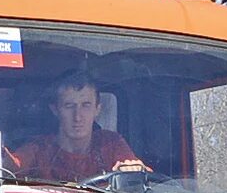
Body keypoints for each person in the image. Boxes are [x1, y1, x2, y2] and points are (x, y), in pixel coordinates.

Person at [10, 72, 145, 184]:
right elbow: (8, 169)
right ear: (55, 110)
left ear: (97, 109)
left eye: (86, 105)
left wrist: (134, 170)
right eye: (69, 106)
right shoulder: (38, 148)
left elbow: (140, 179)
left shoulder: (111, 144)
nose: (78, 116)